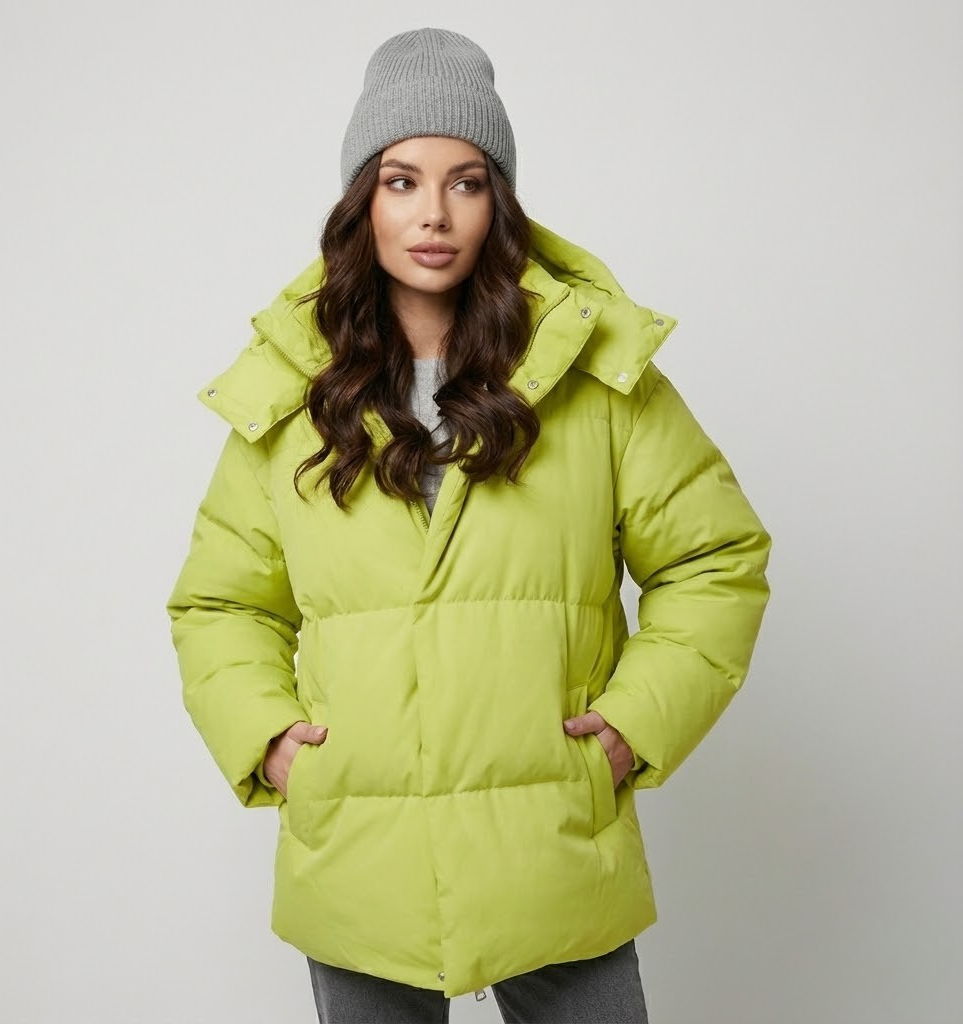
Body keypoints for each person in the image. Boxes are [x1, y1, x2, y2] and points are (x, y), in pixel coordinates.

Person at [165, 25, 772, 1024]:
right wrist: (268, 738)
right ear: (361, 202)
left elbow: (716, 557)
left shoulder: (594, 379)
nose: (434, 214)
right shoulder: (290, 391)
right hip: (360, 857)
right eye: (401, 181)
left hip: (553, 847)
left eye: (467, 181)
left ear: (501, 202)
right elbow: (221, 602)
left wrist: (632, 728)